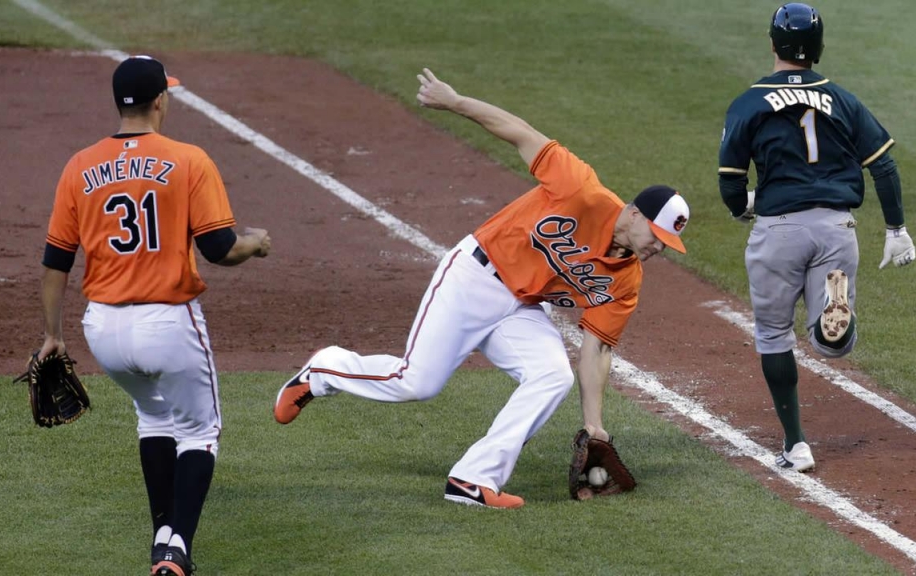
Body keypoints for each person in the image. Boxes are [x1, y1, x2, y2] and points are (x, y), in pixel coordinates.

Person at [274, 67, 690, 508]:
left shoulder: (626, 280)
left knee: (552, 375)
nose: (658, 249)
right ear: (633, 214)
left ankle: (472, 479)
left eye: (667, 244)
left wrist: (595, 426)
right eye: (657, 237)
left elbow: (597, 350)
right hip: (475, 276)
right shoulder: (579, 188)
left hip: (521, 308)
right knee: (415, 383)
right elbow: (521, 132)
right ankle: (324, 370)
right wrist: (455, 102)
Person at [33, 55, 271, 576]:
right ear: (160, 99)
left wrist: (52, 334)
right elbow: (219, 249)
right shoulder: (188, 159)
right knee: (201, 431)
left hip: (104, 330)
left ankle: (162, 532)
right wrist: (254, 244)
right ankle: (176, 549)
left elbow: (56, 261)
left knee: (154, 416)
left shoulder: (79, 166)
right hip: (168, 324)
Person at [718, 3, 916, 472]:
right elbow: (883, 164)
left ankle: (796, 445)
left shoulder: (748, 103)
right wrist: (896, 229)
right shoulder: (843, 100)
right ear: (819, 49)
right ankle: (833, 315)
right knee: (832, 347)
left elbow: (730, 181)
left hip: (778, 229)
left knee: (772, 334)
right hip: (836, 227)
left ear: (773, 44)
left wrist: (743, 205)